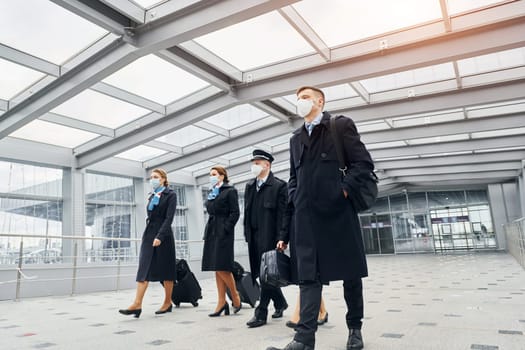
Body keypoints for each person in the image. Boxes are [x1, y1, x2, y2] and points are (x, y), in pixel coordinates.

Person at [267, 86, 374, 350]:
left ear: (320, 100)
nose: (300, 102)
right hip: (305, 218)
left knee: (351, 275)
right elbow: (294, 177)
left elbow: (363, 164)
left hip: (338, 213)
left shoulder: (340, 126)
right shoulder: (295, 138)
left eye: (305, 97)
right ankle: (304, 340)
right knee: (308, 278)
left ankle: (355, 328)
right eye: (298, 99)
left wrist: (344, 190)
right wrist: (291, 208)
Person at [119, 168, 177, 318]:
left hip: (163, 235)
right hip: (149, 233)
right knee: (143, 268)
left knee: (167, 269)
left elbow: (169, 218)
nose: (153, 179)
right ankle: (137, 304)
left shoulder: (170, 195)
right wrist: (151, 235)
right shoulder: (152, 196)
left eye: (156, 177)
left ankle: (167, 302)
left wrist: (160, 236)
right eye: (151, 177)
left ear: (163, 179)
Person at [244, 149, 289, 328]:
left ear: (267, 165)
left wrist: (283, 237)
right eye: (253, 163)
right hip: (253, 237)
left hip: (270, 238)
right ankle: (280, 303)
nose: (254, 166)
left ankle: (261, 312)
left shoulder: (279, 186)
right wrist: (247, 234)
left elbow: (284, 214)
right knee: (261, 273)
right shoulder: (249, 186)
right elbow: (247, 212)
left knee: (266, 276)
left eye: (257, 163)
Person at [201, 166, 242, 317]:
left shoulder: (230, 191)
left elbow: (235, 212)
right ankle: (221, 301)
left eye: (214, 174)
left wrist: (226, 228)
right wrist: (214, 195)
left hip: (223, 232)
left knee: (223, 266)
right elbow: (211, 210)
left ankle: (235, 295)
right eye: (210, 174)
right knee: (216, 267)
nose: (211, 177)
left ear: (222, 176)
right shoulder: (213, 192)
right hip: (212, 231)